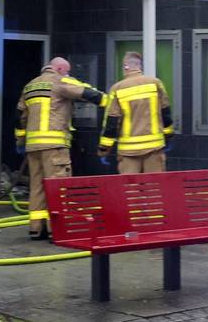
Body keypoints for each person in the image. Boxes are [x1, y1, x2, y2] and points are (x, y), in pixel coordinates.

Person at [15, 57, 104, 240]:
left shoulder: (30, 86)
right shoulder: (60, 81)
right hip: (54, 146)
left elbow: (20, 117)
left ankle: (36, 228)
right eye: (67, 71)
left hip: (33, 147)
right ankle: (57, 229)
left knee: (37, 187)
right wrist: (110, 102)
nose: (68, 74)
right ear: (60, 68)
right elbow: (87, 93)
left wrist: (20, 140)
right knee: (58, 187)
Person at [98, 51, 173, 173]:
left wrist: (104, 148)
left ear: (126, 67)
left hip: (129, 151)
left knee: (130, 189)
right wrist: (168, 135)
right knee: (154, 188)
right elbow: (165, 111)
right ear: (140, 66)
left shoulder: (117, 88)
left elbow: (112, 121)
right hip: (154, 147)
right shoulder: (155, 83)